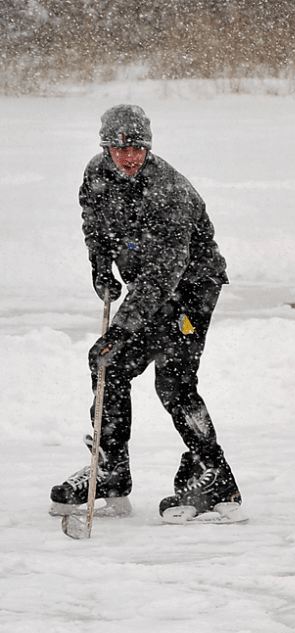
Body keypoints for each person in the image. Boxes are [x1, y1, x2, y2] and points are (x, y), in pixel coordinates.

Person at [49, 104, 245, 525]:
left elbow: (163, 275)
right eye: (119, 147)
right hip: (151, 288)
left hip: (191, 289)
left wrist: (121, 326)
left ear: (147, 147)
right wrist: (100, 265)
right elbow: (95, 224)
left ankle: (215, 477)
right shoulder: (97, 174)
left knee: (173, 380)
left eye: (136, 146)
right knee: (108, 364)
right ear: (105, 147)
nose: (129, 155)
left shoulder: (168, 189)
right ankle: (112, 472)